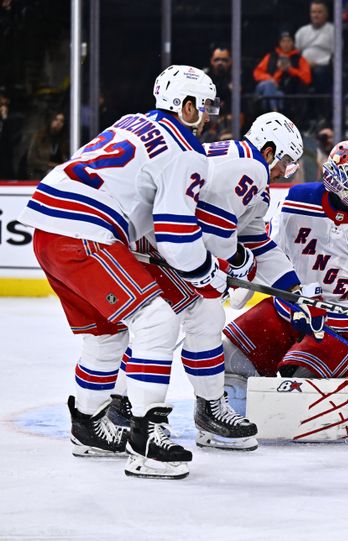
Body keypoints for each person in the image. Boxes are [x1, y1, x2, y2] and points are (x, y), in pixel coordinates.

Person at [17, 65, 226, 479]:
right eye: (204, 107)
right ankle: (146, 437)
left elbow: (137, 205)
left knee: (106, 335)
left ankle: (89, 426)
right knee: (157, 320)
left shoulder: (132, 122)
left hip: (49, 230)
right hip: (86, 234)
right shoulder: (187, 149)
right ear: (186, 107)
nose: (207, 117)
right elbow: (176, 232)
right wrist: (207, 273)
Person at [109, 112, 306, 452]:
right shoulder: (250, 166)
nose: (281, 172)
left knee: (199, 320)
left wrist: (292, 289)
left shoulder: (234, 159)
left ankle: (143, 406)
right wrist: (238, 261)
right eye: (285, 163)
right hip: (165, 247)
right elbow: (217, 235)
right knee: (170, 326)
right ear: (270, 150)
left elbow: (254, 238)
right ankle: (138, 409)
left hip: (162, 245)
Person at [222, 138, 348, 387]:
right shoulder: (298, 200)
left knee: (300, 383)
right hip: (286, 310)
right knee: (229, 359)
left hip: (341, 325)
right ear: (335, 177)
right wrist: (243, 283)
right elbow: (267, 249)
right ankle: (237, 416)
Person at [252, 31, 312, 111]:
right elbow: (257, 73)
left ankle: (272, 113)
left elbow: (307, 79)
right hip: (265, 86)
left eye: (288, 41)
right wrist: (269, 78)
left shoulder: (299, 58)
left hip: (283, 91)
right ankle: (274, 112)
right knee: (268, 85)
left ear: (293, 43)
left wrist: (290, 69)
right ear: (279, 43)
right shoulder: (271, 56)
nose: (286, 44)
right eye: (283, 41)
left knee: (278, 95)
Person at [294, 0, 335, 93]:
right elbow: (296, 53)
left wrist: (317, 63)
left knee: (319, 73)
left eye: (319, 12)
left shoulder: (333, 31)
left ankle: (321, 104)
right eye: (313, 12)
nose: (316, 15)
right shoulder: (302, 31)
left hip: (323, 68)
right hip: (304, 66)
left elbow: (335, 54)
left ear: (326, 14)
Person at [26, 112, 68, 180]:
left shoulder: (64, 140)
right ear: (50, 121)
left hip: (59, 178)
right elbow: (32, 160)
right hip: (40, 176)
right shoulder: (39, 137)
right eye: (56, 119)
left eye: (61, 121)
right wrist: (52, 165)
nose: (58, 123)